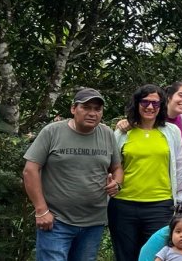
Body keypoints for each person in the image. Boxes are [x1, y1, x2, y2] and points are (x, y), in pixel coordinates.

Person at [23, 87, 122, 261]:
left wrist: (117, 183)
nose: (92, 113)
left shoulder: (106, 134)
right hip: (55, 221)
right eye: (86, 107)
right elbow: (30, 170)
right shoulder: (53, 132)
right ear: (73, 109)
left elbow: (117, 168)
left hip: (94, 222)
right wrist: (41, 210)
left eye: (97, 109)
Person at [111, 84, 182, 261]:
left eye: (156, 103)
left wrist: (181, 199)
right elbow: (113, 166)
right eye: (145, 102)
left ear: (162, 106)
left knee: (156, 256)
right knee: (125, 256)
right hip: (123, 205)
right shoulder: (123, 132)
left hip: (160, 205)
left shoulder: (171, 131)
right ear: (137, 103)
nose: (150, 107)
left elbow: (179, 166)